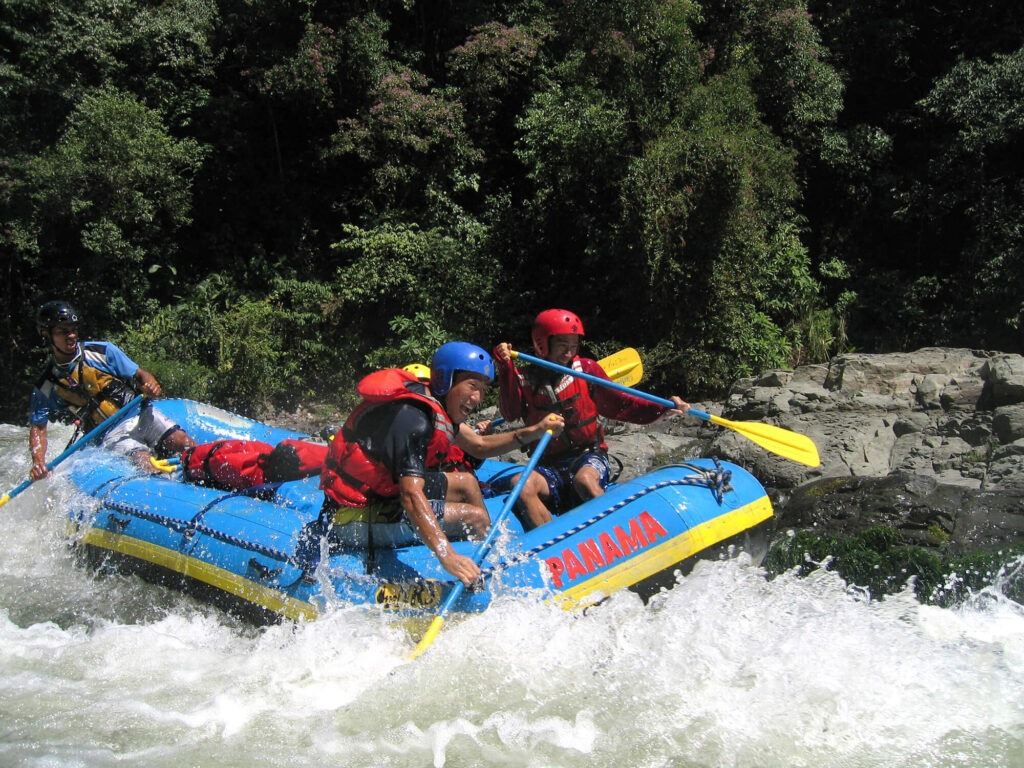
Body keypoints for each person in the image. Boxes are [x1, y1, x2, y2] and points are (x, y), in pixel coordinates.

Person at [320, 341, 564, 586]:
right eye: (472, 386)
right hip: (355, 517)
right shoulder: (412, 420)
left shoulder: (435, 406)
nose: (477, 398)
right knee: (475, 517)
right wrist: (446, 555)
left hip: (383, 495)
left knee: (467, 481)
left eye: (482, 389)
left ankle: (484, 552)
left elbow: (479, 445)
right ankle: (480, 576)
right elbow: (411, 495)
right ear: (446, 380)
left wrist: (537, 430)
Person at [494, 309, 690, 529]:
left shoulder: (585, 370)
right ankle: (555, 541)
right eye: (562, 344)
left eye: (574, 345)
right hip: (548, 465)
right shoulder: (523, 378)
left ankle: (619, 530)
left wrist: (662, 407)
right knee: (521, 485)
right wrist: (505, 369)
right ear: (542, 344)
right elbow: (510, 412)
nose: (569, 351)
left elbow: (622, 404)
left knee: (584, 481)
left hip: (588, 456)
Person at [27, 301, 195, 479]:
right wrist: (38, 462)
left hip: (141, 414)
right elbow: (38, 428)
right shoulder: (46, 384)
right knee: (144, 462)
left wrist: (151, 384)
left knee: (185, 443)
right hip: (111, 434)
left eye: (73, 329)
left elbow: (140, 375)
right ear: (46, 334)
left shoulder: (102, 350)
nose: (72, 335)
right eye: (63, 331)